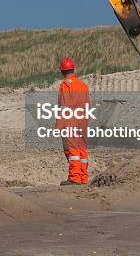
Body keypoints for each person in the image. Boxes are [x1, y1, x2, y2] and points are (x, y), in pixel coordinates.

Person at [55, 57, 91, 185]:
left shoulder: (65, 85)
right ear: (73, 69)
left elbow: (64, 107)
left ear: (62, 71)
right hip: (82, 121)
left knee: (72, 150)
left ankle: (75, 177)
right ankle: (83, 177)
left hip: (70, 121)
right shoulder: (83, 85)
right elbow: (88, 105)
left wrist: (58, 125)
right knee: (81, 148)